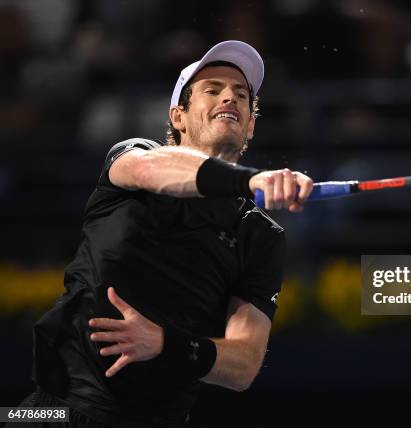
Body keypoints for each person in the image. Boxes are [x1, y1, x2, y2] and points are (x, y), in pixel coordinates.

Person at [10, 40, 313, 428]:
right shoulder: (132, 158)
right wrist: (250, 180)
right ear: (178, 116)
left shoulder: (260, 235)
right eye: (212, 89)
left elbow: (243, 366)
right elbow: (152, 170)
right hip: (49, 410)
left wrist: (163, 344)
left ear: (250, 123)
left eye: (241, 95)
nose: (229, 98)